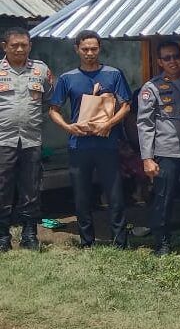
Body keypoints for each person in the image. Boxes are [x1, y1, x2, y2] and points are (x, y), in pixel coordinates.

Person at [49, 30, 131, 249]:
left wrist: (110, 123)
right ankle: (87, 242)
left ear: (100, 48)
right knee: (82, 196)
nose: (89, 53)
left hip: (107, 143)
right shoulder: (68, 78)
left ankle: (119, 242)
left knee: (115, 195)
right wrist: (68, 126)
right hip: (79, 144)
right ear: (77, 49)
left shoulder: (113, 74)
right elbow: (53, 109)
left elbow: (126, 106)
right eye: (85, 49)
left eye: (94, 49)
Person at [137, 41, 180, 255]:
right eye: (167, 58)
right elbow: (145, 124)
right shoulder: (151, 88)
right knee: (163, 199)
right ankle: (162, 243)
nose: (172, 61)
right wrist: (147, 158)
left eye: (175, 56)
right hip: (165, 151)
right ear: (159, 62)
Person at [0, 28, 53, 251]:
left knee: (31, 189)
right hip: (3, 140)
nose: (20, 49)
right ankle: (3, 237)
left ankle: (29, 234)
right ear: (5, 46)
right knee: (2, 188)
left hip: (31, 140)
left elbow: (50, 100)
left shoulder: (41, 70)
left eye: (24, 45)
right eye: (15, 45)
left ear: (30, 46)